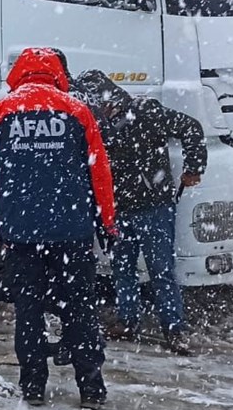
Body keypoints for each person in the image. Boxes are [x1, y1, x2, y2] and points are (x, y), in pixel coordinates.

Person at [0, 48, 117, 409]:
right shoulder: (77, 111)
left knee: (29, 312)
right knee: (81, 310)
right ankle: (92, 389)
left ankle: (33, 386)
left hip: (21, 237)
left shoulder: (0, 112)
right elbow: (99, 172)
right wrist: (107, 222)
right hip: (72, 233)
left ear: (19, 72)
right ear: (57, 73)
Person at [73, 71, 207, 356]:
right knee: (123, 268)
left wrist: (194, 167)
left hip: (154, 208)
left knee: (160, 270)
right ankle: (127, 321)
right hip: (120, 210)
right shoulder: (96, 123)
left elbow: (191, 128)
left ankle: (173, 328)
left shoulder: (145, 111)